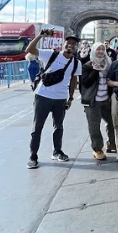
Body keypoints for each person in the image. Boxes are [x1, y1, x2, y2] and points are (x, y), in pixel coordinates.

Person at [25, 31, 82, 169]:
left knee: (59, 126)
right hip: (43, 96)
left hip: (61, 98)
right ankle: (33, 155)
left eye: (74, 44)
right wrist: (40, 36)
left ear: (77, 48)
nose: (71, 45)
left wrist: (71, 98)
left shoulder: (76, 63)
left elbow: (74, 79)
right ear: (63, 44)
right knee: (37, 127)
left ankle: (57, 151)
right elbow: (29, 50)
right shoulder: (51, 54)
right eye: (68, 43)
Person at [80, 43, 116, 161]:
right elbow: (85, 83)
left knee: (112, 123)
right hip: (93, 101)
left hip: (106, 99)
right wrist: (95, 70)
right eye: (98, 49)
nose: (100, 51)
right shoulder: (87, 65)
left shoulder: (109, 63)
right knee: (94, 126)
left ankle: (111, 143)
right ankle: (97, 149)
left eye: (102, 49)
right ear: (93, 51)